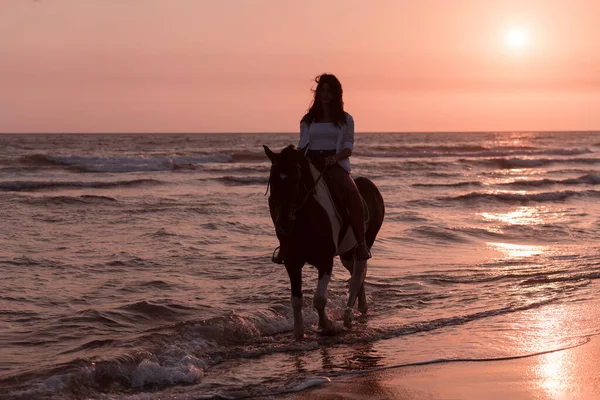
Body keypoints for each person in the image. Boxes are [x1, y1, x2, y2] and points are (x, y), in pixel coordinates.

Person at [272, 73, 371, 263]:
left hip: (334, 164)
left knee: (352, 193)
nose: (325, 95)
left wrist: (334, 159)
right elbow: (302, 145)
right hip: (310, 162)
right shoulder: (308, 120)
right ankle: (285, 245)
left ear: (336, 94)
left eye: (329, 91)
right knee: (286, 194)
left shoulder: (345, 119)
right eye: (322, 91)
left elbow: (348, 148)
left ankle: (360, 244)